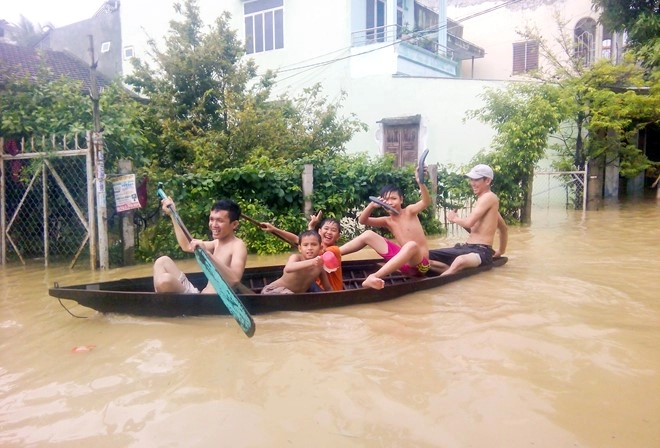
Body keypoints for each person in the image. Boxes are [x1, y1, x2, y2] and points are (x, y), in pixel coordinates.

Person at [340, 169, 431, 289]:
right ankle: (331, 253)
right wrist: (372, 205)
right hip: (402, 264)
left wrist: (420, 183)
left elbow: (426, 202)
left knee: (411, 245)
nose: (390, 202)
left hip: (420, 266)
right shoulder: (387, 221)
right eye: (386, 200)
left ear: (401, 200)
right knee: (368, 234)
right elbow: (362, 220)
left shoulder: (409, 211)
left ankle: (374, 276)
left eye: (393, 198)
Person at [153, 198, 248, 293]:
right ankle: (162, 305)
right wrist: (173, 214)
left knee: (165, 280)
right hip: (198, 297)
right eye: (211, 219)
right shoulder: (216, 243)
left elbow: (234, 280)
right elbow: (186, 245)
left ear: (234, 224)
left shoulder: (238, 245)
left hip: (209, 304)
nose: (214, 225)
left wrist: (207, 254)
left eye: (219, 220)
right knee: (162, 262)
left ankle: (163, 305)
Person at [429, 164, 508, 276]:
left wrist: (454, 218)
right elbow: (502, 228)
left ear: (488, 181)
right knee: (427, 255)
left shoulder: (489, 197)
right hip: (467, 248)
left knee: (460, 261)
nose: (472, 183)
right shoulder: (487, 203)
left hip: (481, 252)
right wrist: (500, 251)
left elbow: (469, 222)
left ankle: (441, 279)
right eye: (471, 179)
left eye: (476, 179)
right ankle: (450, 271)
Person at [260, 211, 344, 291]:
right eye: (326, 228)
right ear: (319, 231)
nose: (329, 232)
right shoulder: (308, 251)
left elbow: (299, 240)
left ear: (338, 236)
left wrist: (310, 228)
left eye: (333, 230)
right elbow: (299, 240)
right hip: (314, 286)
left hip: (329, 289)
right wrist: (274, 229)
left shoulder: (334, 250)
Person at [261, 230, 332, 294]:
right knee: (290, 295)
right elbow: (288, 268)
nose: (309, 248)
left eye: (314, 244)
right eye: (305, 245)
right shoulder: (296, 257)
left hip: (295, 297)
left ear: (320, 248)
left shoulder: (320, 267)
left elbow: (328, 288)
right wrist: (312, 262)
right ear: (300, 248)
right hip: (271, 291)